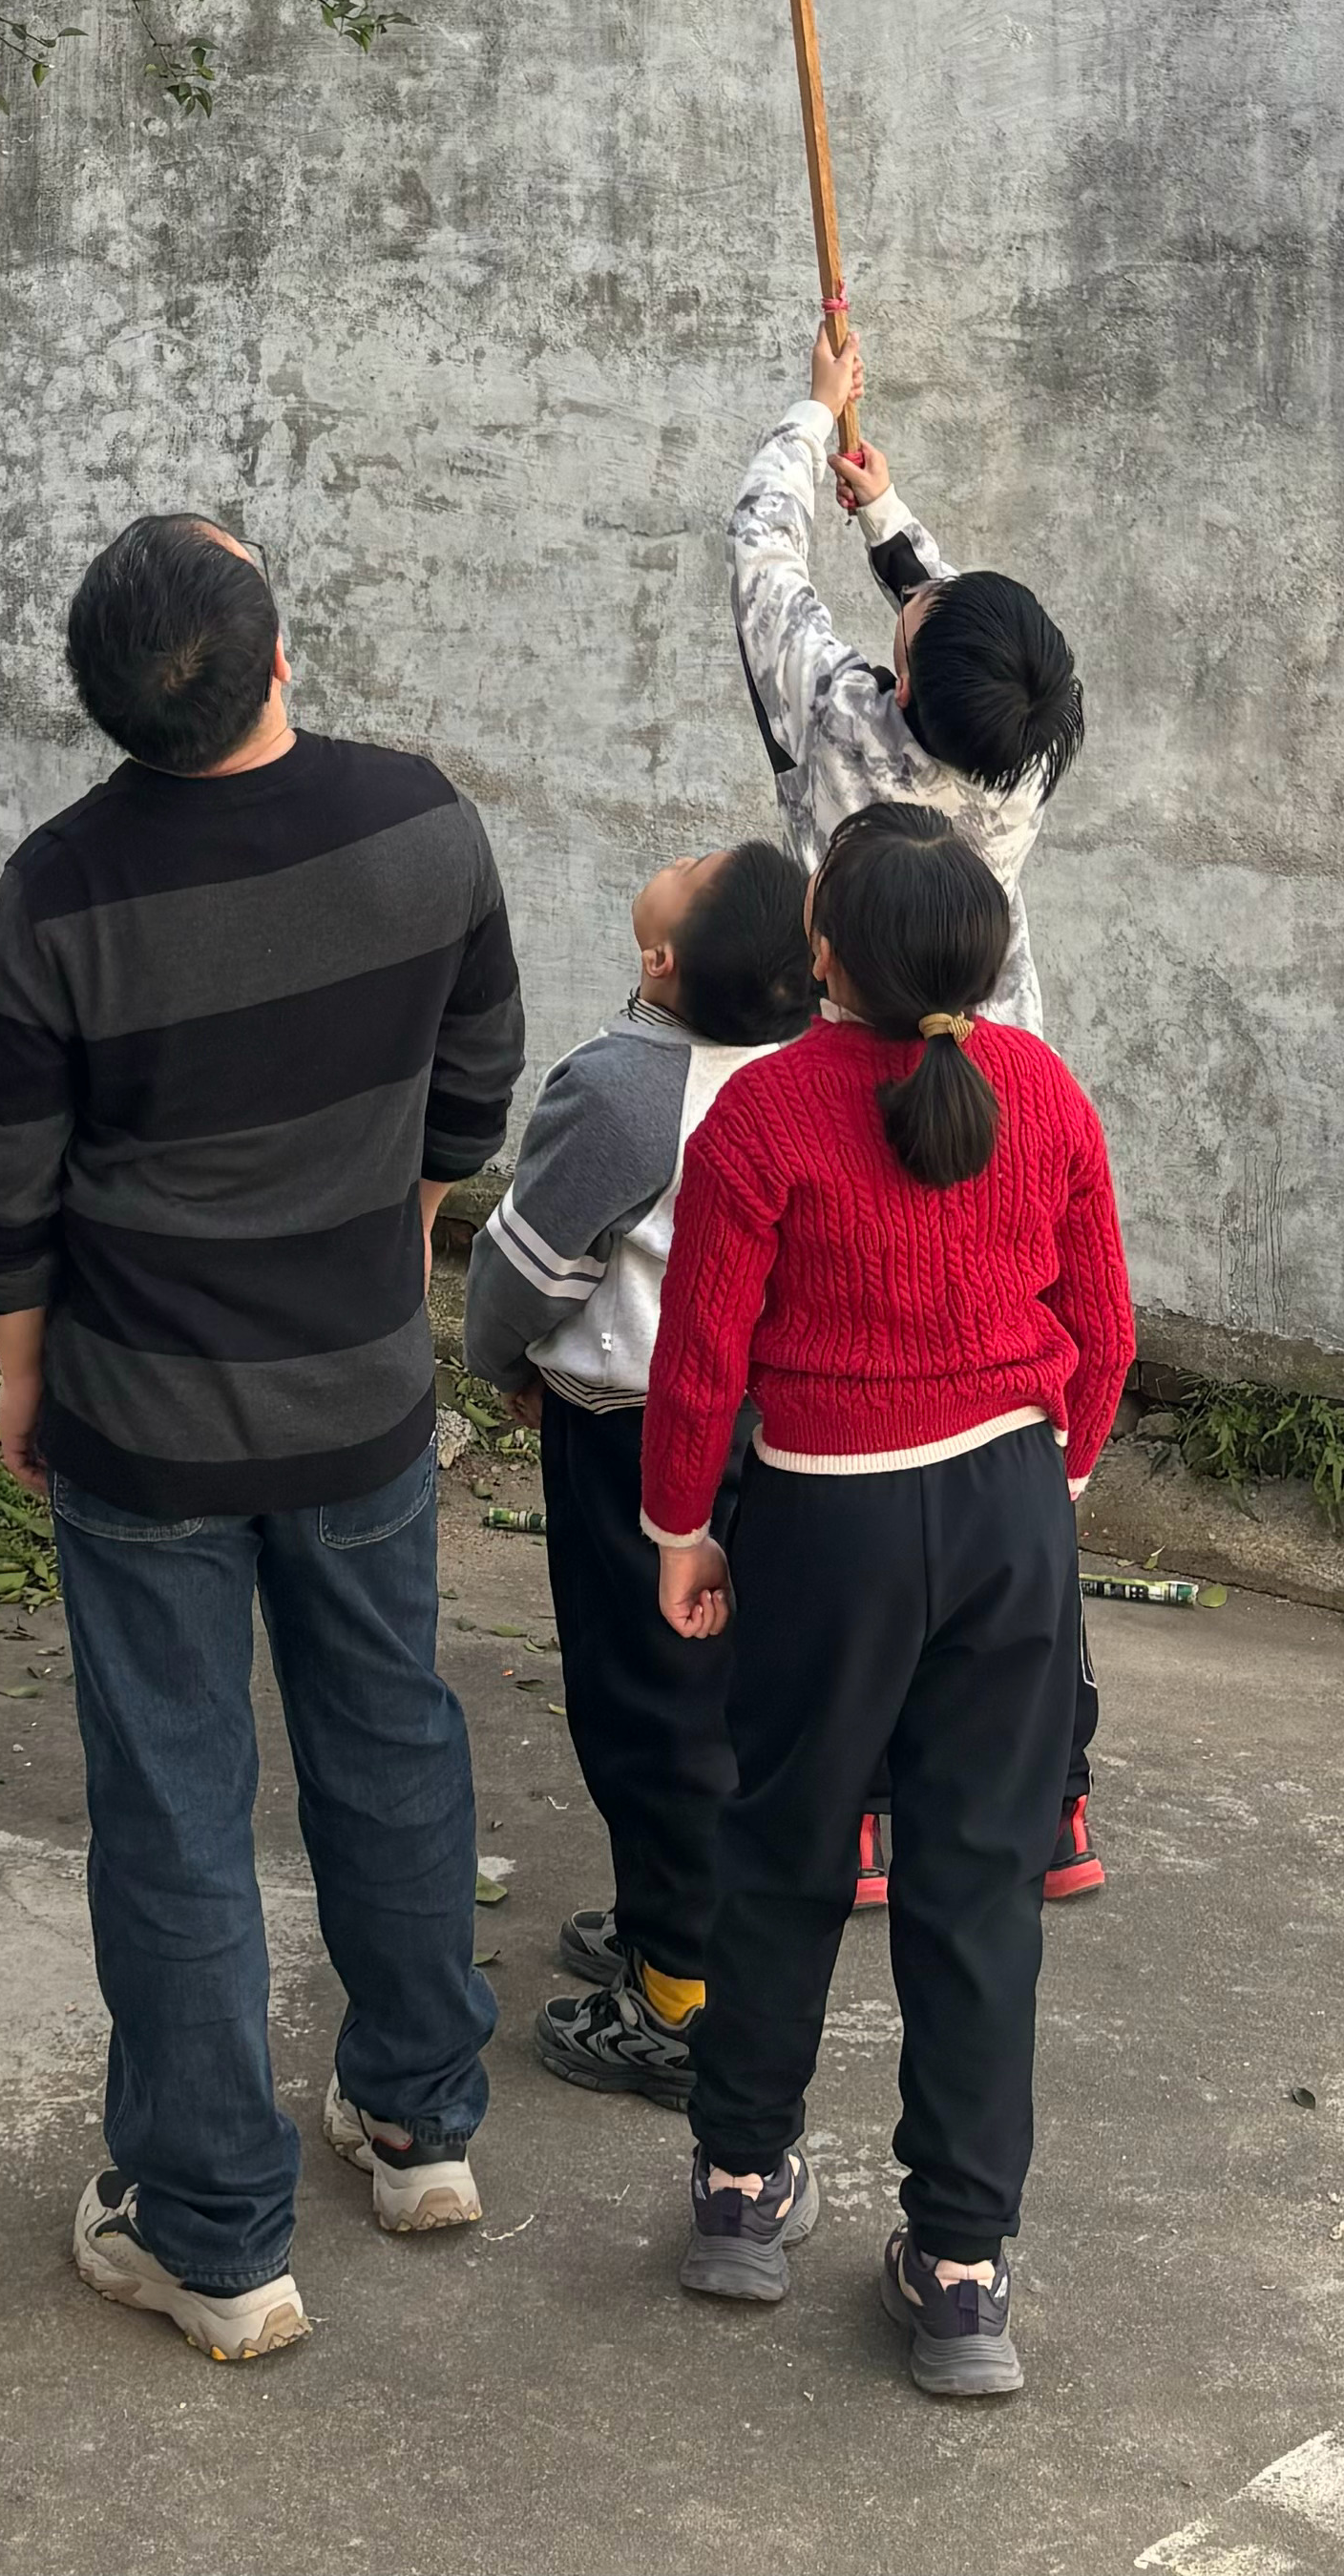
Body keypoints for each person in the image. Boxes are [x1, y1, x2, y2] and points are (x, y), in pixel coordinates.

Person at [0, 505, 521, 2367]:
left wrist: (23, 1378)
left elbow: (8, 1196)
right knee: (390, 1735)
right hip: (358, 1395)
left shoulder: (59, 891)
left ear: (112, 707)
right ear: (278, 653)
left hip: (141, 1433)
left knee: (176, 1811)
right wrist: (407, 1225)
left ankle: (211, 2232)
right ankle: (421, 2120)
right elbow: (472, 1085)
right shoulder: (419, 827)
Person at [643, 805, 1133, 2389]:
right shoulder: (1042, 1093)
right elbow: (1103, 1331)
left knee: (783, 1849)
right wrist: (1044, 1491)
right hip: (1005, 1507)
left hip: (822, 1521)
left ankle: (735, 2187)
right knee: (979, 1887)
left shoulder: (762, 1117)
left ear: (823, 956)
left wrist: (677, 1534)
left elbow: (700, 1359)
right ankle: (962, 2267)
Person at [731, 309, 1106, 1911]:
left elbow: (757, 568)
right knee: (993, 1446)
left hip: (868, 1094)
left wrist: (811, 438)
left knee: (876, 1439)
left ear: (901, 682)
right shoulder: (1022, 753)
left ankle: (874, 1800)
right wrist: (893, 525)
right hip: (995, 1089)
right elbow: (968, 649)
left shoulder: (844, 729)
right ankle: (1051, 1795)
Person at [461, 836, 816, 2103]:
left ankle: (678, 1996)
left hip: (632, 1433)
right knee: (711, 1691)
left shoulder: (618, 1089)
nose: (697, 849)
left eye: (704, 865)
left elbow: (527, 1267)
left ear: (658, 962)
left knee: (640, 1703)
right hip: (765, 1432)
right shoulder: (810, 1063)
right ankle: (676, 1919)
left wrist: (493, 1358)